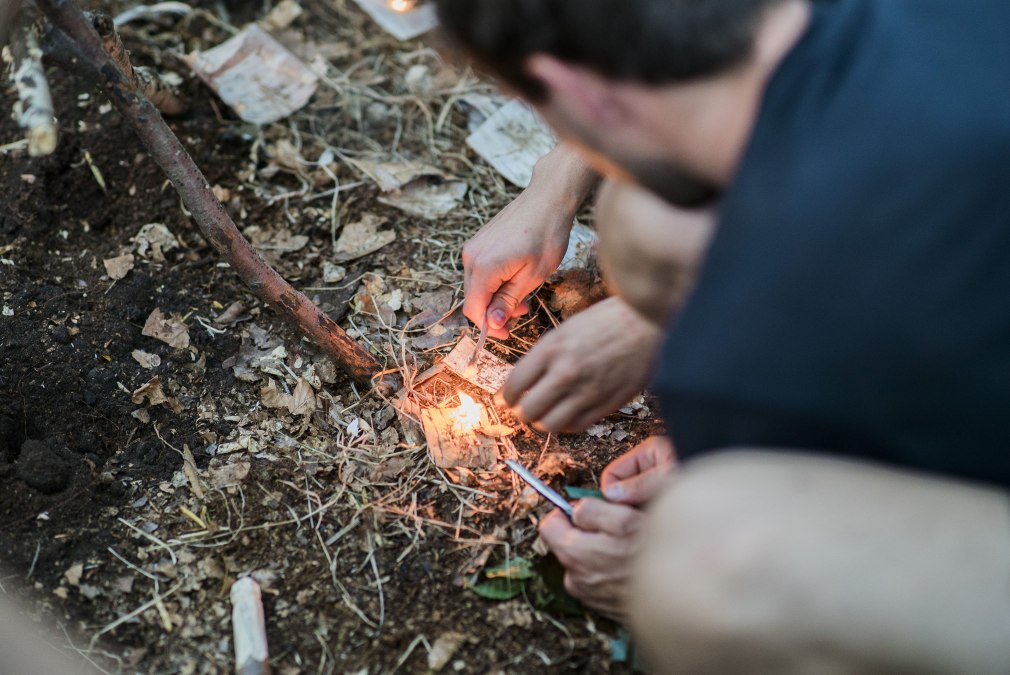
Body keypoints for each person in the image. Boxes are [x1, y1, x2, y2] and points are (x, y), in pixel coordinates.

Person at [435, 0, 1010, 672]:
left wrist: (649, 564)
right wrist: (554, 187)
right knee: (645, 221)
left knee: (703, 568)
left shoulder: (742, 360)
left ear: (569, 88)